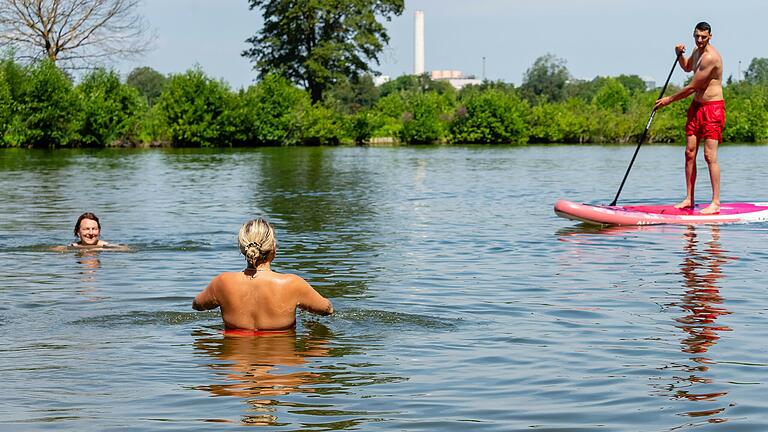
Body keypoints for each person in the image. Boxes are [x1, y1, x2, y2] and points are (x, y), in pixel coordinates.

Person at [193, 218, 333, 332]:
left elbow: (197, 305)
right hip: (282, 361)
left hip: (234, 363)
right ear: (273, 248)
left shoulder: (222, 282)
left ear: (242, 249)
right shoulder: (292, 284)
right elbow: (327, 309)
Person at [654, 21, 725, 215]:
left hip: (712, 109)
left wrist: (668, 99)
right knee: (689, 153)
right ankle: (689, 198)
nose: (700, 40)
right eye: (697, 36)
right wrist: (679, 55)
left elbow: (693, 86)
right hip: (696, 108)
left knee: (710, 156)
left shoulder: (711, 58)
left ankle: (715, 202)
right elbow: (687, 68)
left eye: (703, 37)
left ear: (710, 36)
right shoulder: (697, 51)